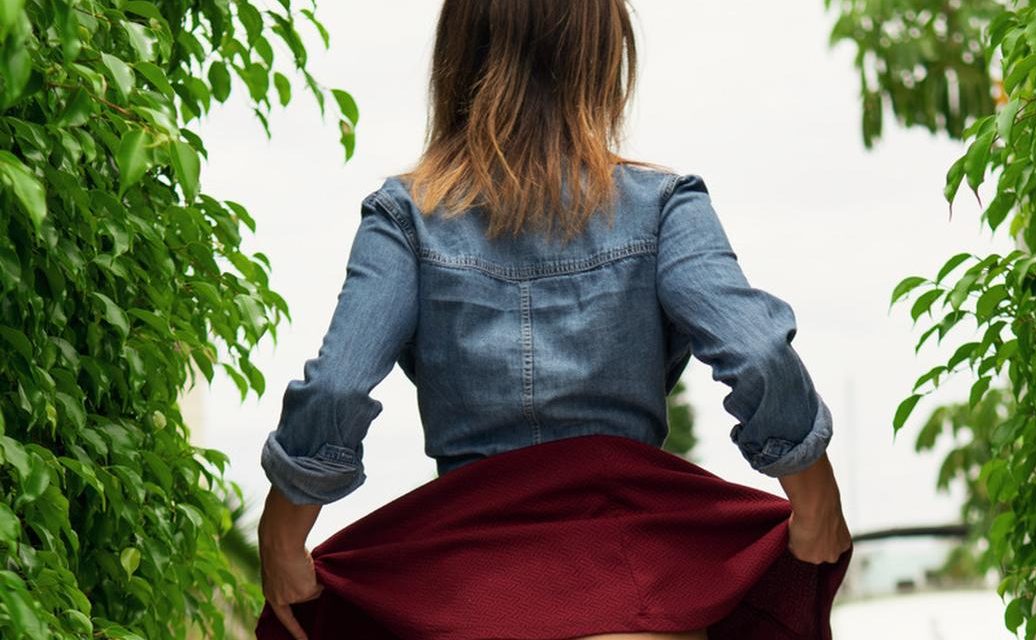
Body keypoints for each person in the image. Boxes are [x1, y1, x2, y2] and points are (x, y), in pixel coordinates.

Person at [255, 1, 853, 639]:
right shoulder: (664, 206)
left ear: (457, 56)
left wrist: (283, 534)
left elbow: (340, 382)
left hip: (469, 591)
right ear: (602, 56)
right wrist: (814, 499)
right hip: (639, 580)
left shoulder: (404, 217)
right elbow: (757, 349)